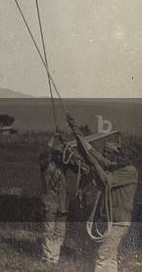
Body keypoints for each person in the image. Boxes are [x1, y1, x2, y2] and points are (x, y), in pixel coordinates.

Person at [68, 115, 138, 271]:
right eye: (119, 154)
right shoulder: (119, 166)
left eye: (122, 156)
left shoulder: (129, 171)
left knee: (103, 254)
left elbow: (105, 179)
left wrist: (94, 165)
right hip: (114, 220)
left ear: (129, 159)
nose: (117, 157)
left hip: (119, 221)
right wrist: (77, 133)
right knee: (109, 255)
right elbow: (94, 155)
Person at [39, 133, 74, 264]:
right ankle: (47, 257)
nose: (61, 156)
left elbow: (75, 161)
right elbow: (45, 153)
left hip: (62, 206)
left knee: (59, 233)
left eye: (62, 154)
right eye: (59, 154)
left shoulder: (63, 170)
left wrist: (66, 144)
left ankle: (54, 258)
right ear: (54, 156)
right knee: (49, 231)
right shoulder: (46, 167)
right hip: (50, 205)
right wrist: (53, 138)